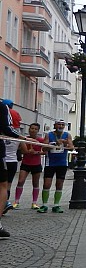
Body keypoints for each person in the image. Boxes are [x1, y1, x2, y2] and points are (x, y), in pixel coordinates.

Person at [0, 100, 27, 239]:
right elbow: (7, 128)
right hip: (1, 157)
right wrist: (22, 137)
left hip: (11, 161)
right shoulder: (2, 107)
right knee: (2, 186)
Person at [37, 119, 74, 214]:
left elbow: (71, 147)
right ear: (55, 125)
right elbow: (44, 148)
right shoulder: (49, 135)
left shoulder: (67, 135)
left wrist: (65, 143)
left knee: (59, 184)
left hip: (62, 163)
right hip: (50, 163)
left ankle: (56, 205)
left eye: (62, 125)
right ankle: (44, 205)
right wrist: (53, 144)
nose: (60, 126)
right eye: (59, 124)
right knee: (47, 184)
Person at [14, 123, 45, 209]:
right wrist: (28, 151)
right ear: (29, 129)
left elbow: (45, 151)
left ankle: (34, 203)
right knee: (20, 181)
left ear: (38, 130)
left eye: (35, 129)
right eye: (32, 128)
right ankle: (16, 201)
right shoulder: (25, 139)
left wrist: (37, 152)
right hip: (26, 163)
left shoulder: (40, 140)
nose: (33, 130)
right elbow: (22, 151)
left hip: (36, 163)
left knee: (35, 183)